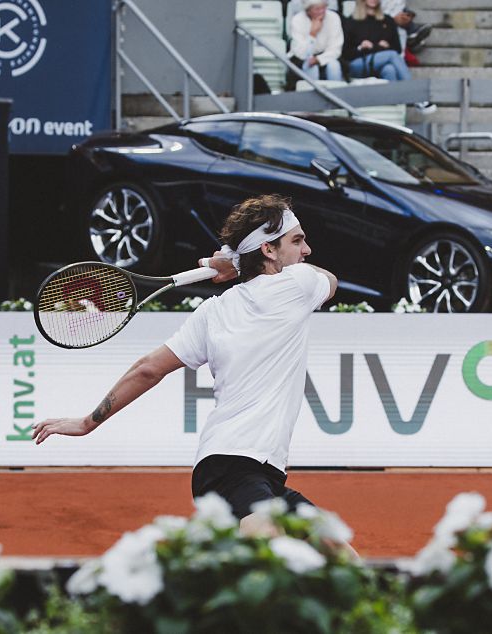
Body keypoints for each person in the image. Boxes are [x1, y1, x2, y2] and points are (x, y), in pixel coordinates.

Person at [32, 195, 353, 552]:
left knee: (338, 550)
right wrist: (232, 262)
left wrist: (86, 422)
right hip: (231, 468)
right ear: (269, 250)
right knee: (270, 555)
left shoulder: (211, 312)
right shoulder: (297, 285)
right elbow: (331, 279)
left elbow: (148, 370)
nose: (306, 250)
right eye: (297, 240)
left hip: (259, 472)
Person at [345, 0, 437, 112]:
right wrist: (362, 47)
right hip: (358, 64)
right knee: (391, 56)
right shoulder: (351, 21)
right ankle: (416, 95)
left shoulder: (387, 20)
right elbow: (346, 53)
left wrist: (375, 47)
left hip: (381, 61)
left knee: (390, 69)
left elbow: (397, 48)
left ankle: (392, 107)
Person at [288, 0, 345, 91]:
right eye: (317, 9)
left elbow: (336, 48)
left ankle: (338, 95)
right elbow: (301, 53)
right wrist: (312, 34)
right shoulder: (297, 20)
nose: (321, 12)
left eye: (324, 7)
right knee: (311, 67)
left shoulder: (333, 17)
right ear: (308, 10)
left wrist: (319, 59)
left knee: (334, 65)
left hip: (327, 56)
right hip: (302, 59)